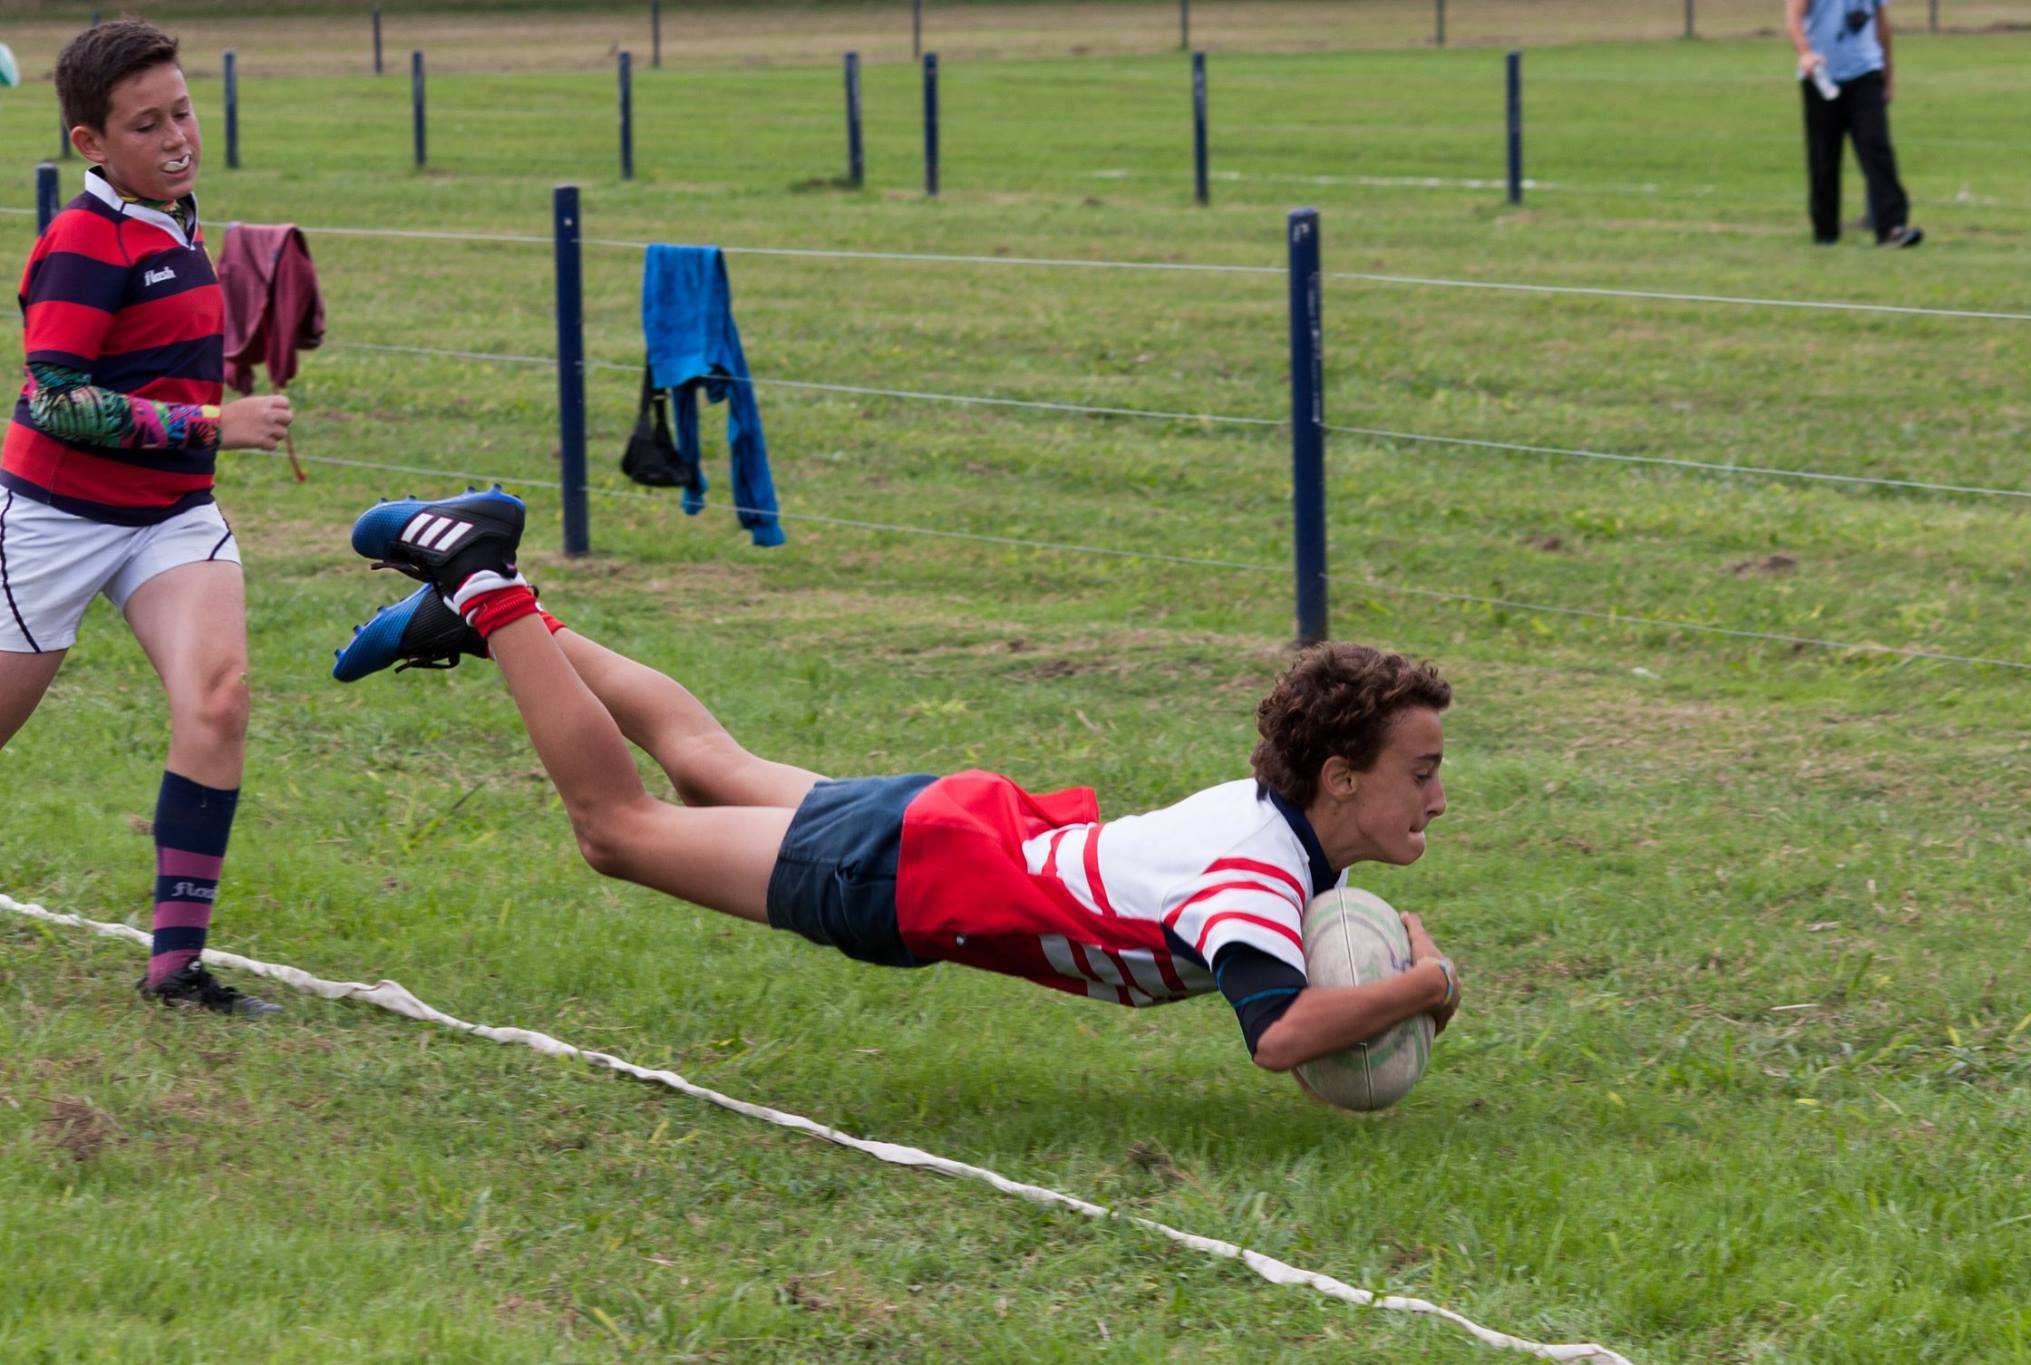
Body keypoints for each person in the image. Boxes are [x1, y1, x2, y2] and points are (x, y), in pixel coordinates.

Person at [332, 488, 1462, 1073]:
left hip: (951, 828)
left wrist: (1396, 1002)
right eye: (1419, 772)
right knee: (619, 829)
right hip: (911, 875)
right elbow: (1280, 1038)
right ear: (1338, 775)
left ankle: (475, 616)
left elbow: (1304, 1014)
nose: (1436, 799)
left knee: (707, 764)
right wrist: (1414, 992)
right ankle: (483, 577)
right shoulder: (1258, 880)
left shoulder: (1270, 833)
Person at [2, 21, 295, 1014]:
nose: (177, 137)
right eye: (146, 124)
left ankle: (176, 970)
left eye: (182, 111)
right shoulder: (85, 241)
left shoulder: (177, 219)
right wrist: (212, 419)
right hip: (52, 521)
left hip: (170, 514)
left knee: (217, 699)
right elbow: (53, 399)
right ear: (90, 144)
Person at [1787, 0, 1923, 247]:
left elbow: (1882, 24)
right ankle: (1825, 232)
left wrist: (1888, 73)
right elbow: (1793, 16)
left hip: (1865, 74)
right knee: (1823, 157)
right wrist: (1805, 53)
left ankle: (1892, 227)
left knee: (1876, 150)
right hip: (1821, 76)